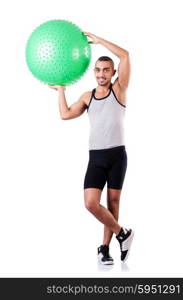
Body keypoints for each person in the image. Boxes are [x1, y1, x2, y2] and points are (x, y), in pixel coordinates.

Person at [48, 32, 134, 265]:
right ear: (94, 72)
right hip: (96, 158)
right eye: (97, 70)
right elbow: (65, 115)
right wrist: (61, 90)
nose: (101, 74)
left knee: (113, 203)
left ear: (113, 73)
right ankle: (123, 233)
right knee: (90, 203)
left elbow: (125, 55)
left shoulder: (119, 91)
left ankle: (104, 249)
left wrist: (98, 39)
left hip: (117, 155)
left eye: (106, 70)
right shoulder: (89, 96)